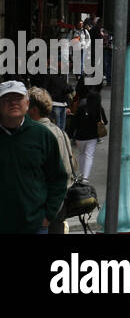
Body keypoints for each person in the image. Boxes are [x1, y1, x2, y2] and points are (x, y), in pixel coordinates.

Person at [0, 80, 67, 234]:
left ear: (27, 103)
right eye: (7, 99)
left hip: (34, 226)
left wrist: (48, 216)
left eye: (18, 98)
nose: (13, 103)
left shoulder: (42, 135)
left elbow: (58, 178)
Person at [25, 87, 75, 234]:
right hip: (60, 202)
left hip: (48, 204)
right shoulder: (60, 131)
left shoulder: (39, 134)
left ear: (33, 110)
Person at [68, 83, 105, 181]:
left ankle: (81, 173)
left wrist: (70, 134)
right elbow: (105, 121)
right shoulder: (99, 109)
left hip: (80, 136)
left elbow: (74, 122)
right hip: (92, 136)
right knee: (89, 155)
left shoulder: (81, 107)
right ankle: (85, 177)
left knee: (81, 154)